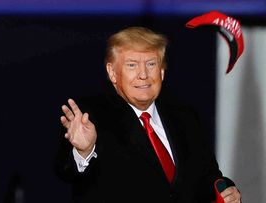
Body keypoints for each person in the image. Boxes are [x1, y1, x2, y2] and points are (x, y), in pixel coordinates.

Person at [55, 27, 241, 203]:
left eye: (151, 64)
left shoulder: (185, 118)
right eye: (132, 65)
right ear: (112, 72)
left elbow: (208, 180)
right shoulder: (90, 117)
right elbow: (67, 172)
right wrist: (84, 151)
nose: (143, 74)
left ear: (162, 71)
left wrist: (227, 193)